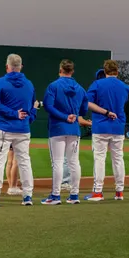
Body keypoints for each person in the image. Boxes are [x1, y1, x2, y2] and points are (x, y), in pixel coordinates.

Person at [0, 54, 38, 207]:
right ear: (20, 67)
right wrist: (28, 119)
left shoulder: (0, 82)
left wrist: (13, 113)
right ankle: (27, 196)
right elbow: (33, 106)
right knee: (25, 162)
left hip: (4, 128)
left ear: (7, 66)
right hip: (23, 129)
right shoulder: (29, 84)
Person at [40, 59, 90, 205]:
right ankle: (74, 195)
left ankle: (55, 195)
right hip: (74, 128)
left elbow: (48, 106)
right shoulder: (80, 88)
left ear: (60, 69)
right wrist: (73, 115)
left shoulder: (53, 86)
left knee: (58, 162)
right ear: (72, 71)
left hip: (57, 127)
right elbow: (84, 109)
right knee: (74, 162)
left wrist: (63, 116)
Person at [84, 60, 129, 201]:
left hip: (101, 126)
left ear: (105, 71)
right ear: (117, 71)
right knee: (118, 159)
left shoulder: (97, 84)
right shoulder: (125, 87)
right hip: (118, 126)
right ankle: (119, 192)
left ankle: (98, 191)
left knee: (99, 159)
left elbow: (87, 103)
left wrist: (104, 111)